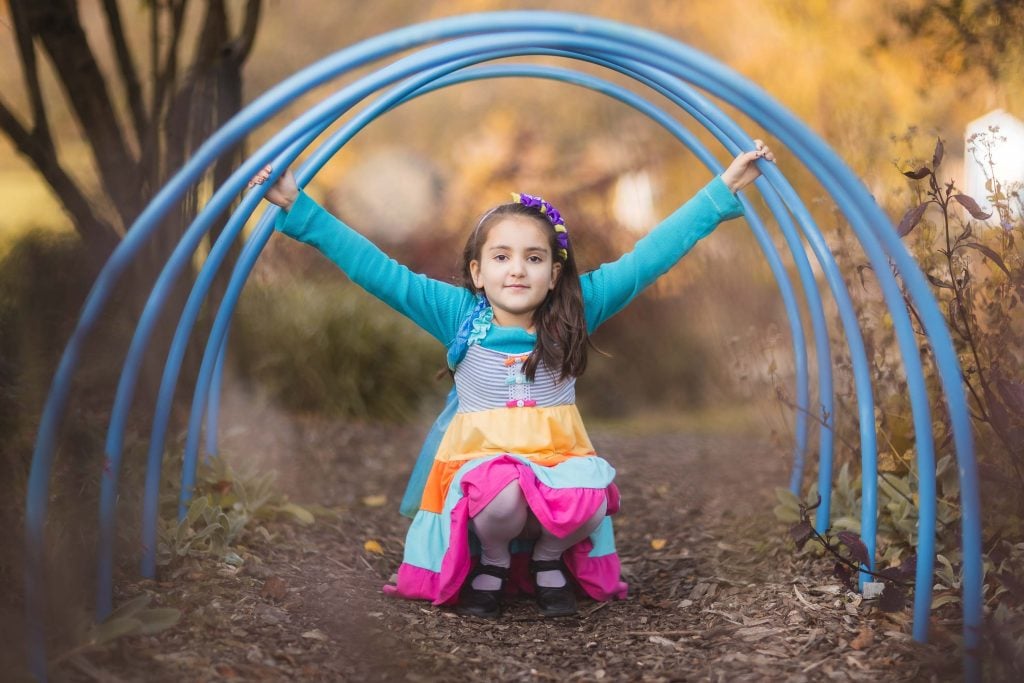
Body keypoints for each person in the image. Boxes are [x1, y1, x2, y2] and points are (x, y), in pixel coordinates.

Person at [248, 140, 774, 618]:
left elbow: (650, 257)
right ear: (478, 271)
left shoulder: (577, 308)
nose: (517, 270)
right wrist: (299, 206)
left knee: (591, 492)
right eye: (501, 257)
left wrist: (721, 189)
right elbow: (378, 270)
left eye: (533, 258)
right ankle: (494, 561)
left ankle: (548, 559)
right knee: (501, 495)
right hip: (482, 462)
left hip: (556, 457)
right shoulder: (457, 313)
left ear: (554, 273)